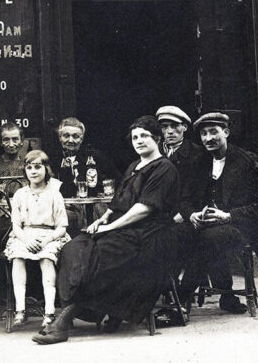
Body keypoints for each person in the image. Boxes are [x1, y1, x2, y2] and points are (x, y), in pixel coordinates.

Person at [33, 116, 181, 345]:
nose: (139, 141)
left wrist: (109, 227)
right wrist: (101, 220)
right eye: (135, 137)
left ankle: (62, 324)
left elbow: (144, 209)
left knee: (96, 255)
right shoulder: (134, 166)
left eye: (144, 136)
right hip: (122, 228)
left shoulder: (164, 168)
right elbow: (117, 202)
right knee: (74, 247)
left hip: (147, 234)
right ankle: (88, 312)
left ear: (157, 139)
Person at [178, 112, 258, 314]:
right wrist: (192, 215)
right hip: (208, 225)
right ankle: (227, 297)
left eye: (214, 132)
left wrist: (229, 215)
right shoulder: (199, 162)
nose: (208, 138)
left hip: (240, 225)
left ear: (226, 132)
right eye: (204, 134)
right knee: (180, 233)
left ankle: (181, 294)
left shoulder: (247, 162)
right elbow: (184, 198)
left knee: (208, 238)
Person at [3, 150, 70, 329]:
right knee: (17, 257)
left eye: (38, 167)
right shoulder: (20, 194)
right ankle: (20, 309)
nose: (34, 171)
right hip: (25, 235)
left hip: (50, 235)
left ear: (46, 168)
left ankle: (49, 311)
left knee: (46, 258)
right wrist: (25, 240)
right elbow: (16, 225)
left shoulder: (54, 193)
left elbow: (62, 226)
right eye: (29, 167)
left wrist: (48, 239)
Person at [49, 117, 120, 236]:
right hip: (66, 209)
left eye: (75, 136)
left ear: (81, 139)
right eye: (66, 136)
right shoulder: (53, 159)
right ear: (60, 138)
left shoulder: (94, 156)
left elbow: (118, 179)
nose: (70, 140)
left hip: (95, 208)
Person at [155, 106, 204, 222]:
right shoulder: (155, 150)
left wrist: (184, 213)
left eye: (175, 125)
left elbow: (199, 191)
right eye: (164, 127)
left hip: (181, 213)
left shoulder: (197, 152)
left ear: (184, 127)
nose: (170, 131)